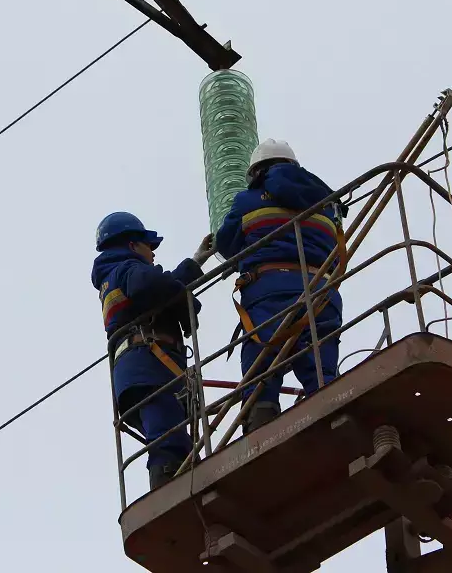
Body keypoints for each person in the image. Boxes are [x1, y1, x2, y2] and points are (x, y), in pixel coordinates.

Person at [215, 139, 345, 435]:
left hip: (269, 290)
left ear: (256, 172)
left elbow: (226, 245)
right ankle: (332, 415)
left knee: (261, 359)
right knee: (320, 361)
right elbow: (336, 254)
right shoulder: (326, 202)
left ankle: (261, 425)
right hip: (321, 288)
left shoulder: (247, 200)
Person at [92, 212, 216, 490]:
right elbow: (153, 285)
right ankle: (168, 485)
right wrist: (187, 304)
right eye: (149, 246)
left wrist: (196, 261)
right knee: (168, 436)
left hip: (135, 373)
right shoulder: (128, 269)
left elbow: (160, 289)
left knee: (172, 435)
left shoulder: (115, 275)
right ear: (133, 245)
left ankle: (174, 479)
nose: (153, 254)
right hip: (149, 367)